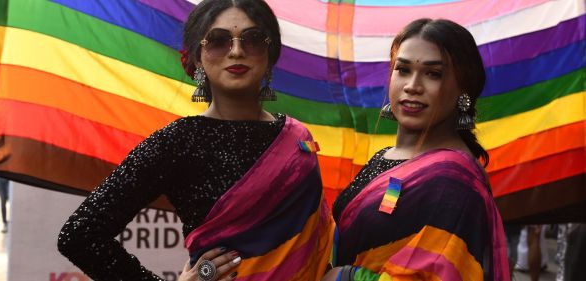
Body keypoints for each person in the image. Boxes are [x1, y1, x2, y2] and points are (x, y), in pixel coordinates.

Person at [58, 1, 334, 280]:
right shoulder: (179, 141)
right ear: (197, 57)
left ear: (270, 52)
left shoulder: (297, 137)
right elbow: (79, 234)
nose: (236, 51)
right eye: (218, 41)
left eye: (252, 39)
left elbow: (320, 242)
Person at [323, 18, 509, 280]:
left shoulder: (455, 183)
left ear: (463, 91)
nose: (412, 85)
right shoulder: (384, 157)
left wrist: (348, 277)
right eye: (403, 69)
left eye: (433, 74)